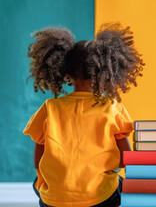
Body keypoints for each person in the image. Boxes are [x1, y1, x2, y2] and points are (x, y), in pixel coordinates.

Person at [24, 23, 144, 207]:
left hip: (55, 199)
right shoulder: (111, 106)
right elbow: (124, 158)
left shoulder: (50, 107)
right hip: (100, 198)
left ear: (66, 71)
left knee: (37, 185)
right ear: (106, 72)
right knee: (119, 185)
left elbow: (38, 160)